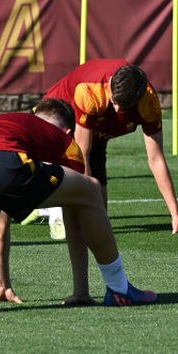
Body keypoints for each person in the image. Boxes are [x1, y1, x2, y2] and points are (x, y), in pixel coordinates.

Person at [0, 98, 156, 325]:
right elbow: (76, 209)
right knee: (91, 189)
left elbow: (2, 221)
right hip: (1, 162)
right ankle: (119, 288)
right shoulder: (63, 140)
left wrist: (3, 283)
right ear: (68, 132)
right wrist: (81, 290)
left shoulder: (6, 124)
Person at [44, 60, 178, 231]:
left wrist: (175, 213)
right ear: (110, 85)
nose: (116, 109)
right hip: (59, 112)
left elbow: (156, 159)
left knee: (99, 217)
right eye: (114, 102)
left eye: (123, 107)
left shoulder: (148, 101)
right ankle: (53, 206)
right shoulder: (91, 92)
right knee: (63, 163)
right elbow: (82, 155)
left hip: (96, 125)